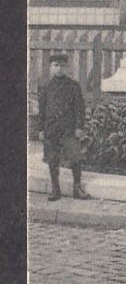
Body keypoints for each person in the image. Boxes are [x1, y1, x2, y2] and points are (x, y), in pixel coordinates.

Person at [38, 51, 92, 201]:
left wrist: (79, 127)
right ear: (50, 68)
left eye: (62, 65)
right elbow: (41, 109)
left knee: (75, 158)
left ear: (67, 68)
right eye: (56, 65)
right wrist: (41, 129)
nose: (59, 68)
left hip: (69, 129)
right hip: (51, 128)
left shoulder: (73, 86)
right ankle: (55, 189)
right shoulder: (46, 86)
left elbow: (79, 108)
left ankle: (77, 188)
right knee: (52, 159)